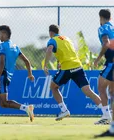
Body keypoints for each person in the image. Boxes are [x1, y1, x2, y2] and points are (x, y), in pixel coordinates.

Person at [43, 24, 103, 121]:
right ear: (58, 31)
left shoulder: (52, 40)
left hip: (67, 68)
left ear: (50, 33)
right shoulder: (67, 38)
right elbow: (69, 52)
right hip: (78, 66)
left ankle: (64, 110)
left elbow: (50, 49)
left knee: (53, 87)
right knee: (88, 91)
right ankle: (106, 112)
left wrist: (45, 64)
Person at [94, 9, 114, 137]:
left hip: (111, 61)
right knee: (111, 91)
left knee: (101, 87)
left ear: (101, 17)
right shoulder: (112, 26)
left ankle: (106, 115)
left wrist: (98, 58)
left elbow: (106, 43)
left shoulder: (102, 28)